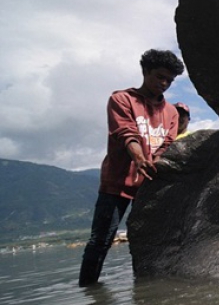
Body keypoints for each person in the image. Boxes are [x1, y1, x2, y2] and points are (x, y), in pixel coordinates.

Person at [79, 49, 185, 287]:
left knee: (146, 238)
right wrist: (138, 156)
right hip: (117, 183)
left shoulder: (170, 112)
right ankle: (88, 290)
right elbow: (126, 133)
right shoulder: (122, 99)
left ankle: (143, 290)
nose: (164, 83)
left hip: (149, 185)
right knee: (101, 239)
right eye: (159, 77)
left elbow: (167, 144)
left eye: (169, 80)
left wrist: (155, 160)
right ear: (145, 71)